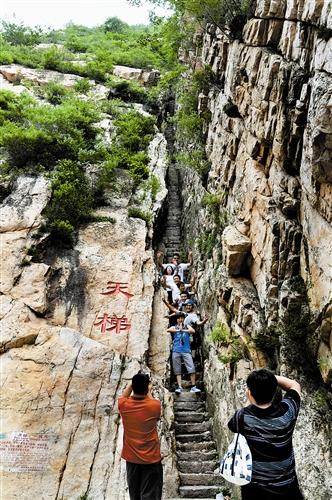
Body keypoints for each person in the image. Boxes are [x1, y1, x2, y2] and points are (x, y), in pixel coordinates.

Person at [228, 369, 303, 500]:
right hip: (286, 487)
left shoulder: (242, 417)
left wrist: (253, 392)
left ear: (250, 393)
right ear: (274, 391)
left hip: (255, 489)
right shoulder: (287, 413)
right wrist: (269, 379)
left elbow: (233, 425)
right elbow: (294, 385)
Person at [118, 372, 163, 500]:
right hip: (151, 458)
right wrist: (148, 390)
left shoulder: (123, 405)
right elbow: (151, 400)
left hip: (131, 459)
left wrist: (132, 384)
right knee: (151, 495)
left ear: (133, 387)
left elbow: (124, 396)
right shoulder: (154, 406)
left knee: (134, 495)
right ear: (146, 388)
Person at [167, 312, 201, 394]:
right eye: (178, 318)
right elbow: (168, 330)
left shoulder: (187, 326)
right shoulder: (174, 327)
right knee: (177, 369)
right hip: (176, 350)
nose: (180, 320)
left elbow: (192, 331)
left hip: (186, 350)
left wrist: (183, 330)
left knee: (191, 367)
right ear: (177, 319)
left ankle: (193, 386)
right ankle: (179, 387)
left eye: (182, 318)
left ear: (184, 319)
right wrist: (179, 330)